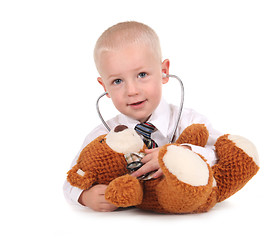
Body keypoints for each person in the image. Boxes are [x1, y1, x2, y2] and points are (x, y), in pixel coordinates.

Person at [63, 21, 256, 212]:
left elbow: (221, 153)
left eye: (142, 74)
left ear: (164, 72)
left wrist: (181, 153)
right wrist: (85, 197)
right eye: (117, 81)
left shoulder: (188, 121)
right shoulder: (103, 137)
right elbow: (71, 180)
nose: (132, 91)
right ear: (104, 87)